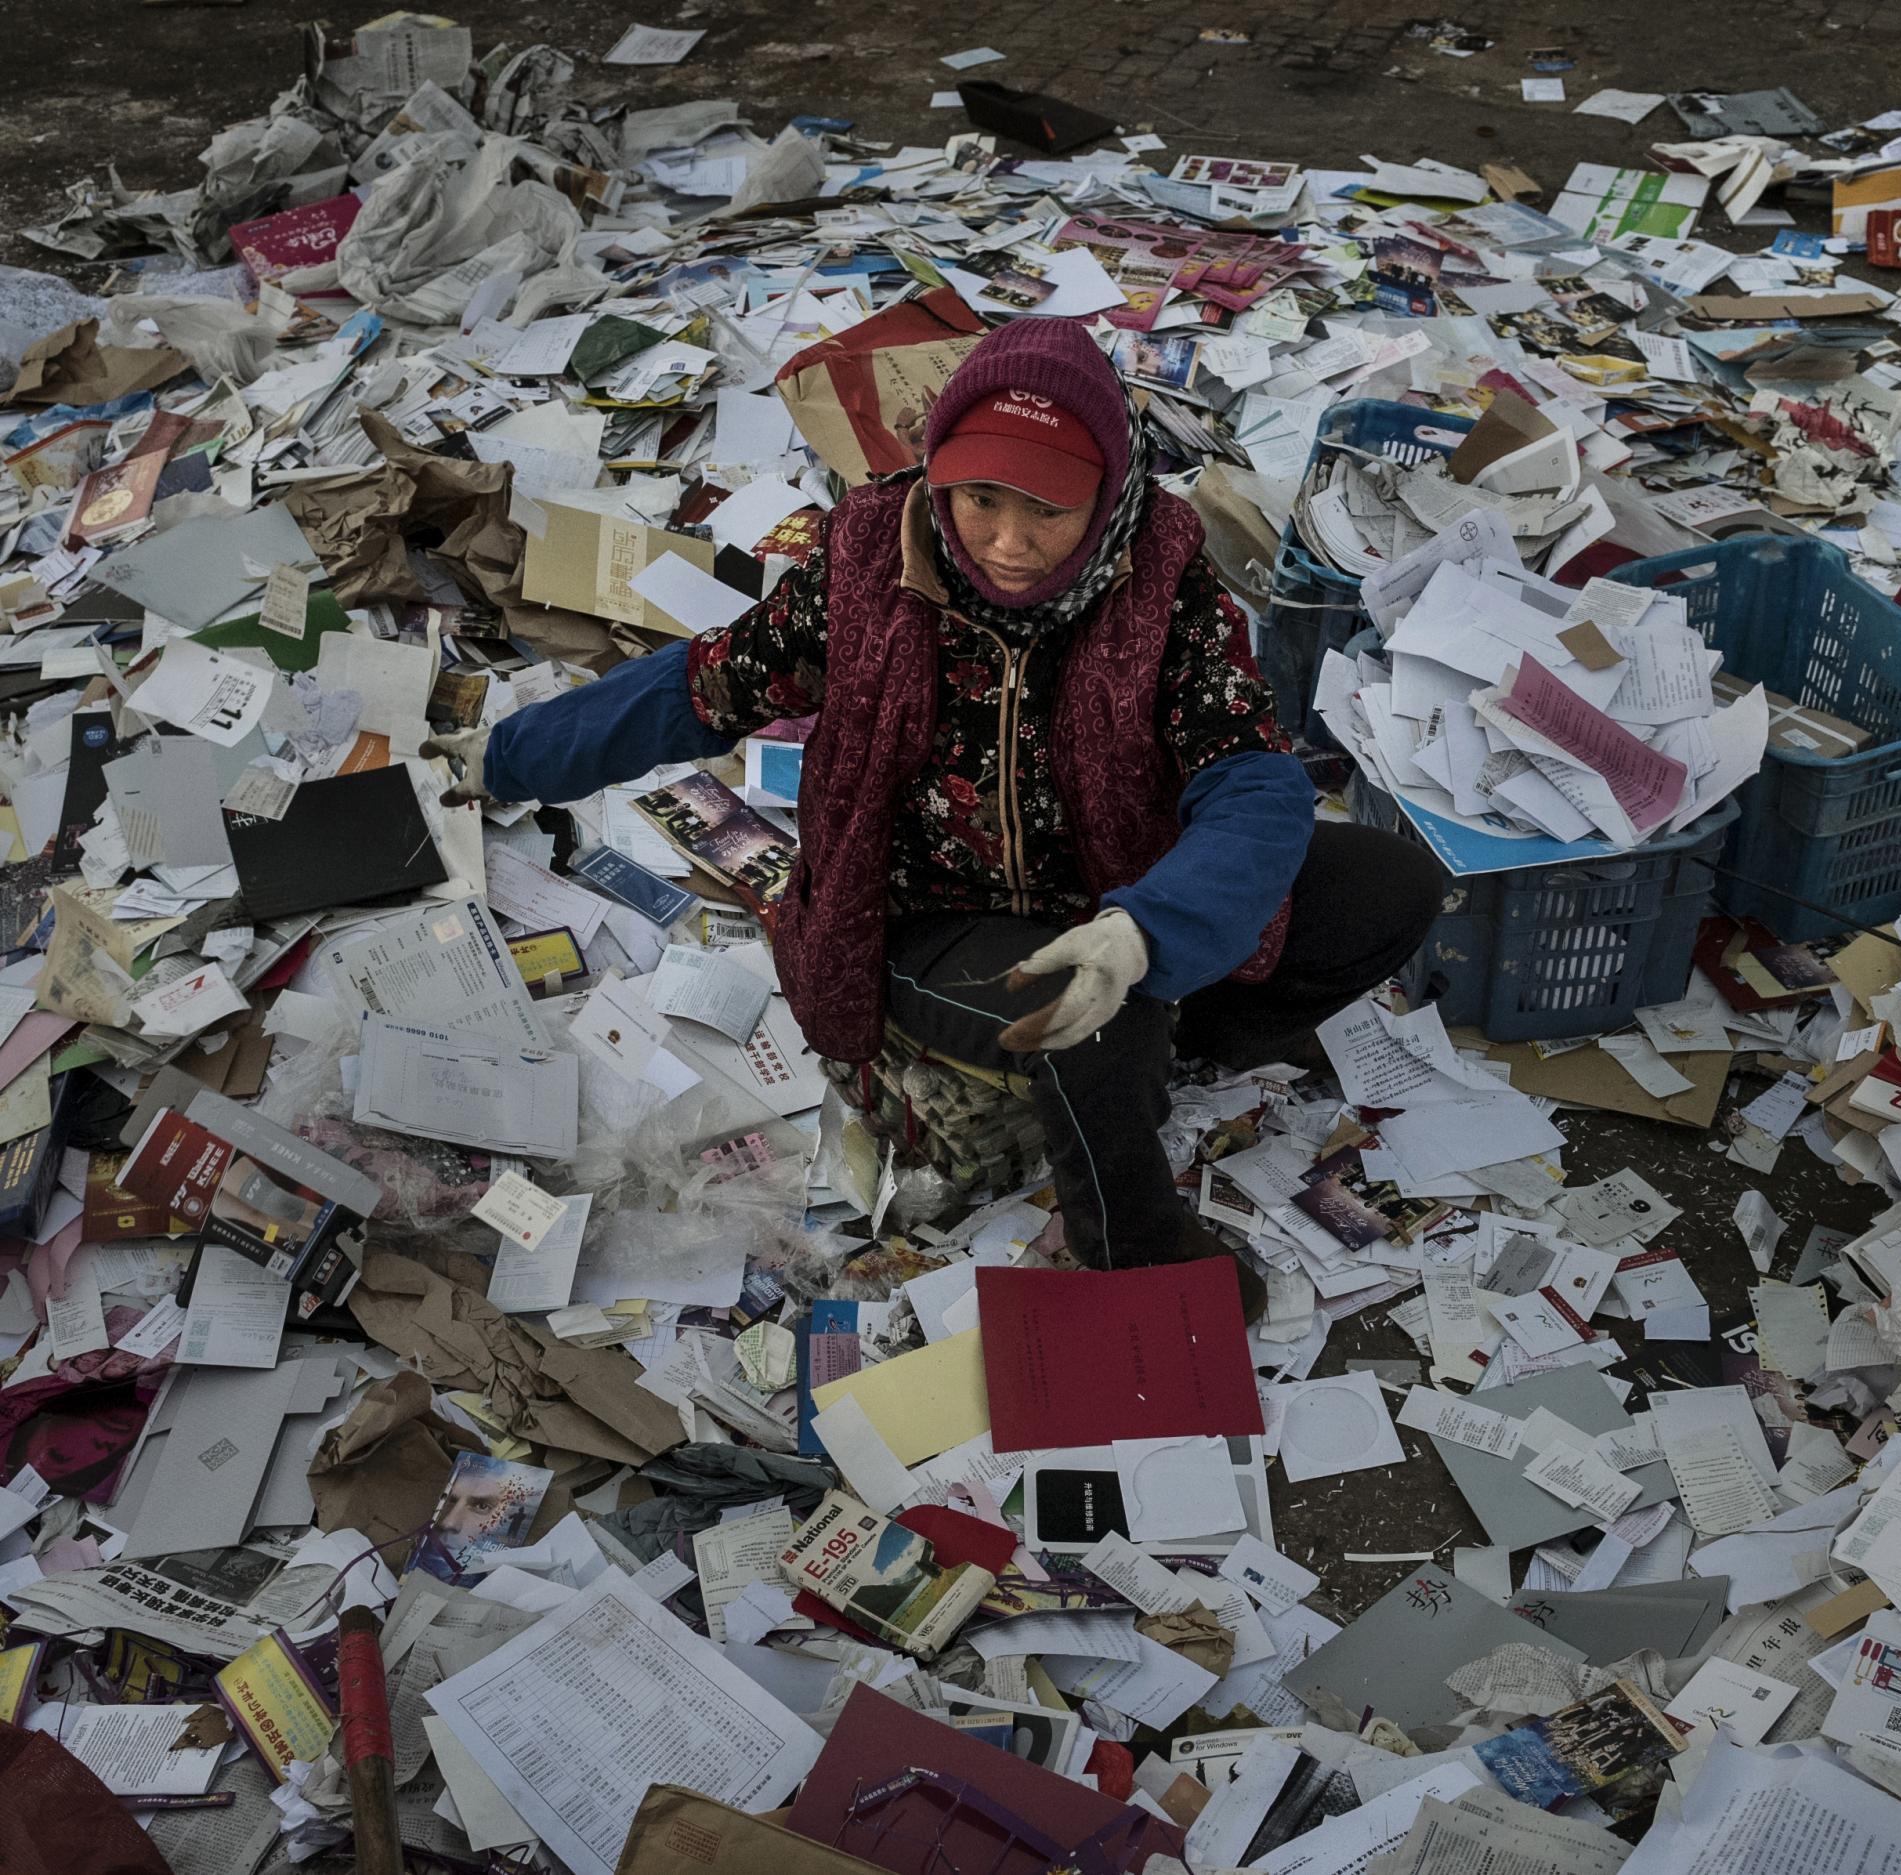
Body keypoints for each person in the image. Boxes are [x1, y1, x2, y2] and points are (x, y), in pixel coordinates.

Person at [426, 319, 1444, 1317]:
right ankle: (1131, 1247)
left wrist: (1146, 931)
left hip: (1122, 891)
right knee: (1085, 1021)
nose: (1006, 542)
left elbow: (1249, 780)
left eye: (1047, 508)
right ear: (938, 474)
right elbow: (701, 688)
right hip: (924, 915)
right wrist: (506, 756)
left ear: (1109, 493)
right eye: (980, 499)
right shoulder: (867, 571)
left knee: (1388, 888)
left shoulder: (1165, 587)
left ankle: (1180, 1036)